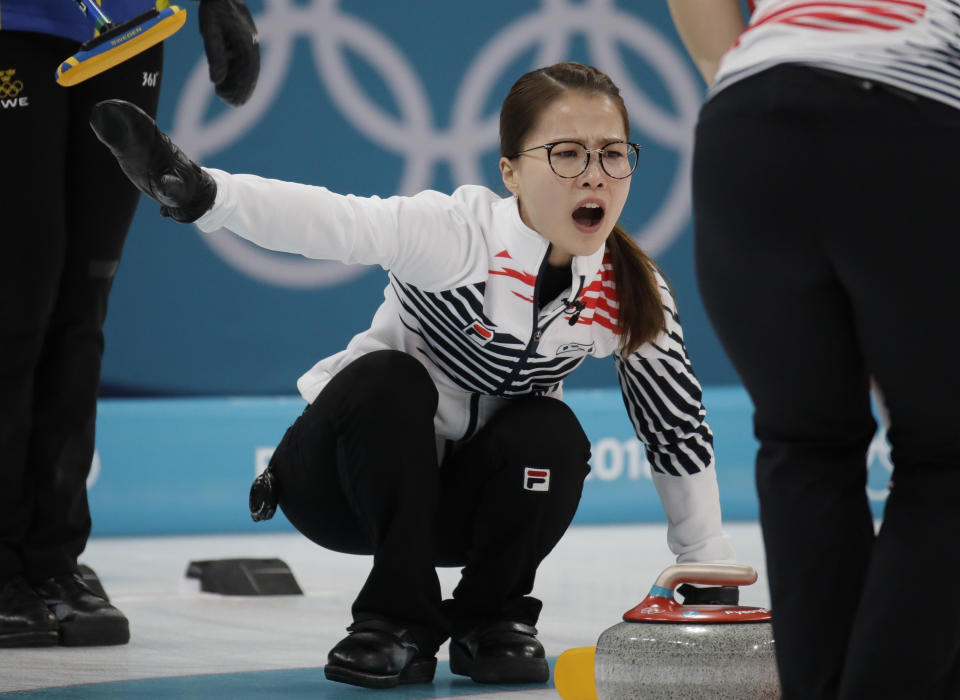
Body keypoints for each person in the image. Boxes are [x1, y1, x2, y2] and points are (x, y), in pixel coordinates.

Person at [90, 61, 739, 689]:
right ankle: (392, 621)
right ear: (510, 172)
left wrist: (704, 561)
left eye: (612, 154)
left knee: (552, 434)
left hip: (457, 509)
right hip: (339, 488)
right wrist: (204, 193)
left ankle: (493, 617)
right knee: (390, 380)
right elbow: (332, 220)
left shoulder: (630, 290)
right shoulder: (458, 235)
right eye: (567, 154)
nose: (594, 176)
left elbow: (674, 427)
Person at [667, 1, 960, 697]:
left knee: (805, 446)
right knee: (949, 458)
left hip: (747, 119)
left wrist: (745, 81)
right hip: (908, 109)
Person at [0, 0, 258, 648]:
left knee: (83, 304)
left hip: (126, 26)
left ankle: (55, 560)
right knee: (15, 303)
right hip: (15, 26)